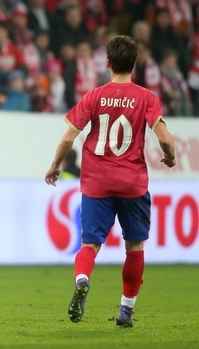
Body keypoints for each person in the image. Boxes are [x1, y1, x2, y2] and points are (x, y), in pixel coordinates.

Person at [44, 35, 176, 328]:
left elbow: (69, 136)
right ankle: (125, 311)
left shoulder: (94, 96)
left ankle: (82, 279)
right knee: (134, 247)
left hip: (96, 183)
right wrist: (171, 156)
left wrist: (55, 165)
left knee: (90, 244)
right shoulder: (146, 97)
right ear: (134, 64)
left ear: (107, 63)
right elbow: (165, 138)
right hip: (132, 184)